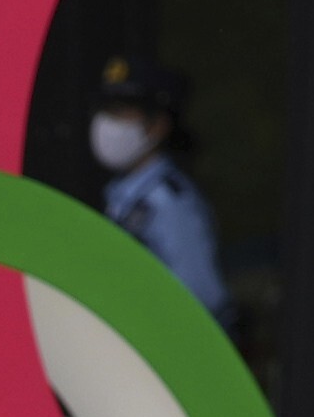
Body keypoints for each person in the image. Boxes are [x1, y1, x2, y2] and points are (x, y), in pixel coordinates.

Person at [90, 49, 230, 326]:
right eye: (107, 110)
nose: (108, 123)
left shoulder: (170, 204)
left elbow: (202, 301)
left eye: (121, 112)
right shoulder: (123, 195)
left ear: (157, 126)